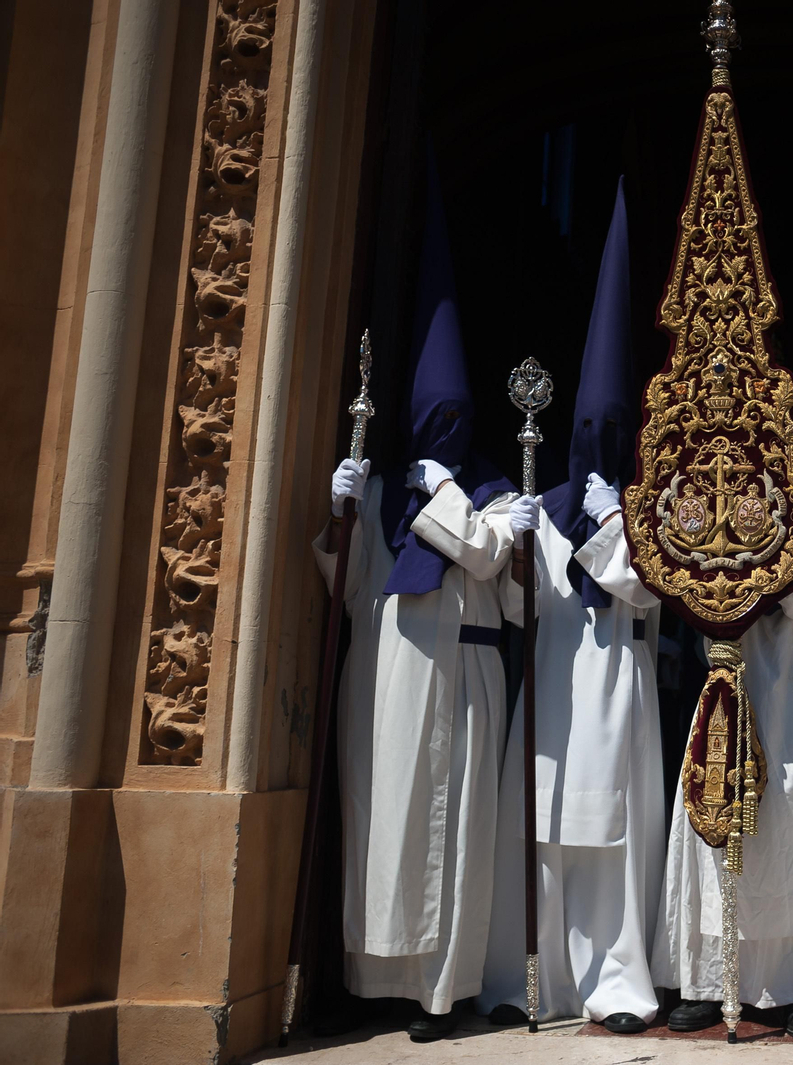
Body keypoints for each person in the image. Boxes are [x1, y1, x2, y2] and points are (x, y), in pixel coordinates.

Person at [316, 160, 516, 1042]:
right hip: (388, 675)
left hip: (466, 671)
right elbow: (343, 585)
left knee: (456, 833)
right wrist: (342, 516)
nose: (442, 433)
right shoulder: (394, 489)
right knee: (387, 823)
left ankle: (444, 992)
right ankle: (377, 977)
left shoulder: (500, 493)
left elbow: (486, 552)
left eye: (454, 420)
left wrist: (441, 490)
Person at [476, 180, 666, 1034]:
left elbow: (645, 591)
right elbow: (522, 613)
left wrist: (609, 522)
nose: (592, 443)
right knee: (545, 838)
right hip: (555, 689)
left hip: (618, 684)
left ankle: (619, 982)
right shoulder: (545, 504)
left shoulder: (651, 513)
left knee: (614, 848)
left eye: (607, 429)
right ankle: (537, 979)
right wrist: (523, 546)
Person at [653, 443, 793, 1039]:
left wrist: (756, 553)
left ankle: (792, 987)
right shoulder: (718, 558)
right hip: (724, 703)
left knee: (788, 848)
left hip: (792, 717)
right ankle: (711, 984)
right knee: (715, 841)